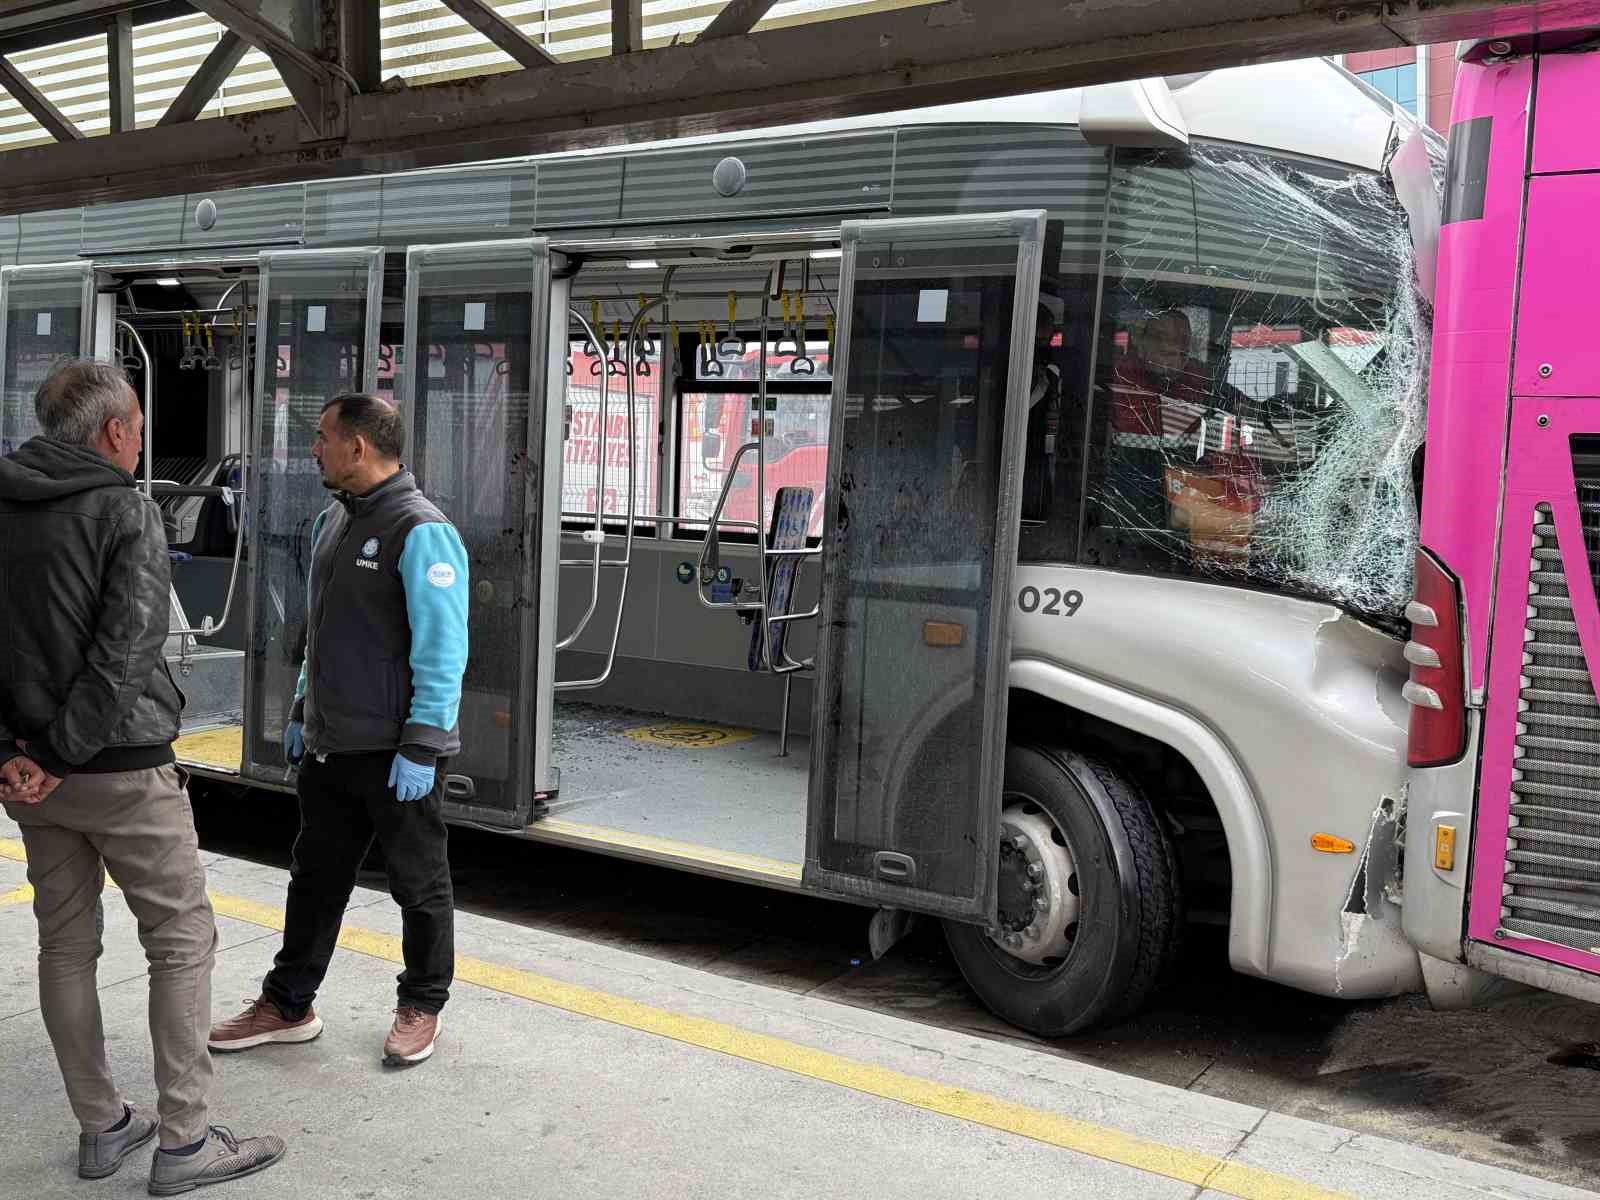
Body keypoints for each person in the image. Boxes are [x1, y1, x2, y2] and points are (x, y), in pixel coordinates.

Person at [0, 359, 284, 1193]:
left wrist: (17, 757)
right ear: (115, 432)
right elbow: (127, 651)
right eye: (140, 427)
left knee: (65, 944)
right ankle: (187, 1143)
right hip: (118, 767)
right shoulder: (126, 509)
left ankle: (102, 1128)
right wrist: (60, 751)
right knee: (181, 940)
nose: (142, 439)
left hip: (30, 783)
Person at [209, 393, 469, 1068]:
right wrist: (301, 709)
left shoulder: (421, 529)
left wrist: (422, 743)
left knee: (419, 883)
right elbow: (319, 632)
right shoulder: (335, 518)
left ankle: (422, 1003)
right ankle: (288, 1004)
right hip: (332, 745)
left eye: (322, 438)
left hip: (394, 754)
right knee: (315, 880)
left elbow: (443, 650)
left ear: (358, 447)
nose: (313, 449)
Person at [1022, 302, 1063, 523]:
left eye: (1046, 343)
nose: (1042, 349)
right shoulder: (1004, 376)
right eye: (1037, 342)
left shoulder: (1051, 379)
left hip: (1038, 456)